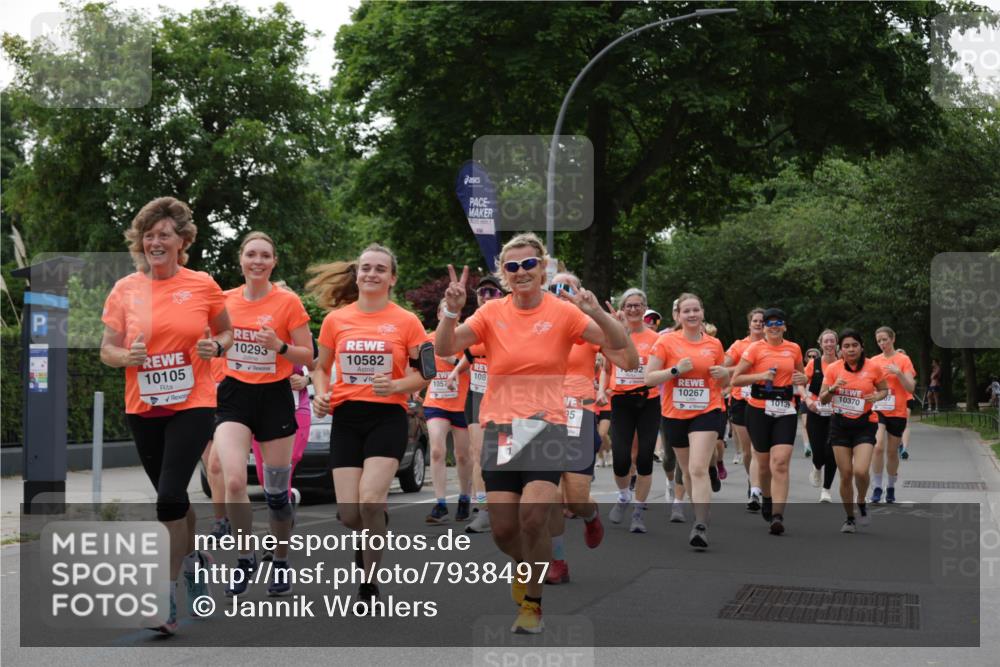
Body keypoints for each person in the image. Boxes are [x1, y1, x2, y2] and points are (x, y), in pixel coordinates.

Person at [436, 232, 632, 634]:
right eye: (512, 266)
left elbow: (619, 345)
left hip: (547, 425)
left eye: (529, 264)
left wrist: (596, 312)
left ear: (543, 268)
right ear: (503, 274)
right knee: (504, 529)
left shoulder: (563, 313)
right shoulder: (492, 313)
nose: (521, 272)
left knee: (533, 517)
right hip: (501, 428)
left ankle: (532, 604)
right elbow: (444, 347)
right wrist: (451, 311)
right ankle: (526, 568)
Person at [100, 196, 233, 635]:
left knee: (169, 499)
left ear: (182, 241)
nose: (155, 242)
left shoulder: (202, 285)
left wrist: (217, 346)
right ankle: (194, 560)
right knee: (173, 500)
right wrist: (126, 356)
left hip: (193, 402)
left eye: (164, 235)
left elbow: (227, 331)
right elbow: (107, 349)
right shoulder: (125, 289)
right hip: (144, 406)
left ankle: (165, 597)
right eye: (148, 235)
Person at [309, 244, 430, 609]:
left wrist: (396, 385)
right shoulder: (336, 320)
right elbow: (321, 367)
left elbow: (425, 373)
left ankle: (368, 582)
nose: (372, 274)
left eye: (380, 269)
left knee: (371, 501)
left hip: (387, 418)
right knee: (351, 515)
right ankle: (373, 521)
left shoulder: (407, 322)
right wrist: (321, 394)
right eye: (366, 268)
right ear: (357, 274)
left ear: (392, 278)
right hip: (346, 419)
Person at [213, 232, 314, 597]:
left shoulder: (288, 302)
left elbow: (309, 355)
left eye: (265, 256)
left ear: (273, 262)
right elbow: (209, 341)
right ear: (241, 259)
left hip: (274, 397)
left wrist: (280, 346)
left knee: (276, 493)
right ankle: (245, 558)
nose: (257, 261)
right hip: (234, 396)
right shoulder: (223, 301)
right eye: (251, 254)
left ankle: (281, 560)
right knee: (234, 482)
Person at [545, 271, 635, 583]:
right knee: (549, 495)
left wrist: (620, 330)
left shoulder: (588, 329)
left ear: (580, 292)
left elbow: (629, 363)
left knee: (576, 498)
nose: (560, 292)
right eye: (555, 287)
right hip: (540, 415)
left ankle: (591, 515)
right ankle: (557, 561)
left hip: (578, 415)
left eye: (567, 287)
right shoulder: (537, 326)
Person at [645, 293, 728, 549]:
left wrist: (725, 374)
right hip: (675, 414)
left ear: (702, 313)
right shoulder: (666, 342)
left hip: (708, 411)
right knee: (687, 471)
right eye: (686, 311)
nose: (692, 315)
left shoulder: (714, 344)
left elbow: (723, 383)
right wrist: (675, 370)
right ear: (678, 316)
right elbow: (649, 379)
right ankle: (700, 510)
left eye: (695, 310)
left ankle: (700, 524)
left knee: (697, 467)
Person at [730, 307, 807, 535]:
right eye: (769, 324)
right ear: (763, 328)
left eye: (778, 323)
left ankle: (777, 516)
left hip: (785, 409)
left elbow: (802, 377)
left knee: (780, 462)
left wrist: (802, 379)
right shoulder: (754, 349)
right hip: (758, 409)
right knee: (763, 465)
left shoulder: (794, 348)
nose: (774, 327)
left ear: (784, 326)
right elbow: (736, 380)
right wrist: (760, 376)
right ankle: (767, 497)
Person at [818, 329, 890, 532]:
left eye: (854, 345)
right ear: (840, 349)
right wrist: (832, 388)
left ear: (861, 347)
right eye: (846, 346)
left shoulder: (873, 367)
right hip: (840, 425)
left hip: (865, 424)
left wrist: (877, 397)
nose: (851, 349)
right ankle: (849, 518)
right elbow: (823, 398)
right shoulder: (833, 369)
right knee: (846, 474)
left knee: (860, 470)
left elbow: (884, 389)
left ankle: (861, 500)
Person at [605, 288, 663, 534]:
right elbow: (606, 367)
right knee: (620, 459)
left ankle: (638, 512)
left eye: (638, 305)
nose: (633, 309)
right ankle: (623, 496)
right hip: (621, 400)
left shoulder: (656, 339)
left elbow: (662, 368)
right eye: (629, 305)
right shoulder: (614, 336)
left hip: (648, 400)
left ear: (645, 308)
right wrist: (602, 389)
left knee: (645, 457)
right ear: (622, 309)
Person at [462, 275, 505, 533]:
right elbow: (468, 355)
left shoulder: (510, 322)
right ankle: (483, 509)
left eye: (492, 292)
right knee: (477, 453)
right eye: (482, 293)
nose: (486, 297)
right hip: (477, 395)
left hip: (506, 398)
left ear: (502, 295)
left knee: (504, 454)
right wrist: (455, 372)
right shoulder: (472, 324)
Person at [424, 298, 473, 523]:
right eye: (443, 310)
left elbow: (476, 371)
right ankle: (440, 504)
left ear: (458, 315)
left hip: (462, 403)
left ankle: (464, 498)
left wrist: (453, 361)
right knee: (437, 451)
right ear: (438, 314)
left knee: (463, 455)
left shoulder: (464, 338)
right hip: (436, 402)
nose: (447, 313)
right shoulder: (427, 340)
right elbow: (421, 370)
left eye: (451, 310)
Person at [869, 326, 916, 504]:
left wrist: (899, 373)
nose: (882, 343)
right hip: (878, 408)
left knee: (891, 452)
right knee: (878, 446)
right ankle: (877, 486)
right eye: (879, 341)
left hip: (897, 410)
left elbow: (910, 387)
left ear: (893, 338)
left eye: (885, 340)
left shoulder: (904, 360)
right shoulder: (874, 361)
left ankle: (890, 486)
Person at [723, 308, 765, 510]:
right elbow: (723, 367)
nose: (759, 324)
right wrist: (741, 367)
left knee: (758, 449)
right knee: (747, 451)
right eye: (755, 321)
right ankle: (752, 480)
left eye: (762, 321)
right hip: (741, 400)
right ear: (749, 324)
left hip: (763, 400)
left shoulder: (772, 346)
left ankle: (756, 489)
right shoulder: (739, 345)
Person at [802, 331, 839, 503]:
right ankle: (817, 467)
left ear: (837, 343)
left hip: (836, 413)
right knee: (818, 452)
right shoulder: (813, 363)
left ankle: (826, 490)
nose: (829, 344)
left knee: (832, 452)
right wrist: (808, 400)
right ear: (821, 344)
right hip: (816, 411)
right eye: (826, 341)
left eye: (832, 341)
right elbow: (801, 384)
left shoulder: (843, 363)